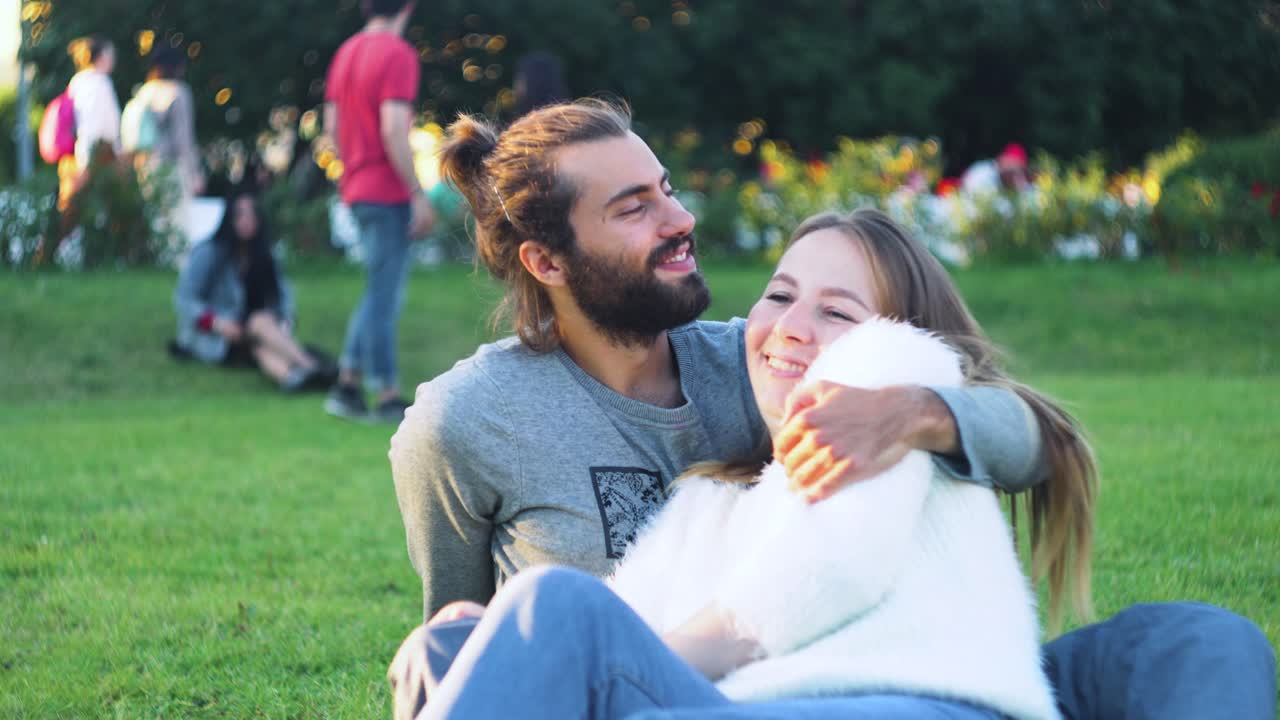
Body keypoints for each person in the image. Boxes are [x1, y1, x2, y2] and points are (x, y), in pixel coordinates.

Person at [389, 99, 1276, 719]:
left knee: (1192, 641)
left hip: (819, 680)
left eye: (666, 186)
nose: (681, 215)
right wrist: (464, 636)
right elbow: (465, 619)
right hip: (676, 684)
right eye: (636, 207)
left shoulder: (778, 363)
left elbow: (1033, 435)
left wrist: (916, 411)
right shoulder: (465, 419)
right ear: (547, 262)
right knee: (464, 642)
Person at [389, 208, 1094, 719]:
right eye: (780, 296)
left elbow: (828, 572)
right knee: (466, 638)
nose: (790, 327)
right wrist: (502, 637)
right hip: (741, 705)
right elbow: (627, 624)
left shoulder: (887, 395)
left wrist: (587, 656)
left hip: (911, 699)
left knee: (554, 607)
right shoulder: (712, 498)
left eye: (837, 313)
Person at [322, 0, 435, 424]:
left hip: (356, 186)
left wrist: (349, 169)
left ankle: (347, 384)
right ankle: (386, 393)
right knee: (386, 295)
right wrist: (416, 192)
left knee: (376, 288)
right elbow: (393, 127)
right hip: (386, 191)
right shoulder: (398, 54)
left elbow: (332, 127)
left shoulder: (347, 51)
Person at [173, 190, 335, 393]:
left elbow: (283, 296)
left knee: (260, 344)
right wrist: (217, 323)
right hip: (218, 336)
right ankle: (312, 367)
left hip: (257, 330)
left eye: (252, 214)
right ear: (229, 218)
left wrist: (286, 322)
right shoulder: (209, 252)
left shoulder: (265, 255)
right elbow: (185, 299)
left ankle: (293, 378)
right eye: (240, 214)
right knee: (259, 325)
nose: (246, 220)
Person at [122, 45, 204, 243]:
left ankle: (155, 256)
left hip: (144, 164)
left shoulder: (143, 92)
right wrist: (195, 173)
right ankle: (176, 260)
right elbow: (183, 138)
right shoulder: (178, 92)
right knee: (176, 216)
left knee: (155, 215)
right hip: (171, 164)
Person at [58, 35, 121, 215]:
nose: (112, 59)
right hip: (97, 154)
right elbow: (93, 125)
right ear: (100, 57)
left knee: (72, 212)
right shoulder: (99, 83)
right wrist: (86, 161)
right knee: (118, 211)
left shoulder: (78, 82)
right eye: (110, 54)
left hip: (78, 155)